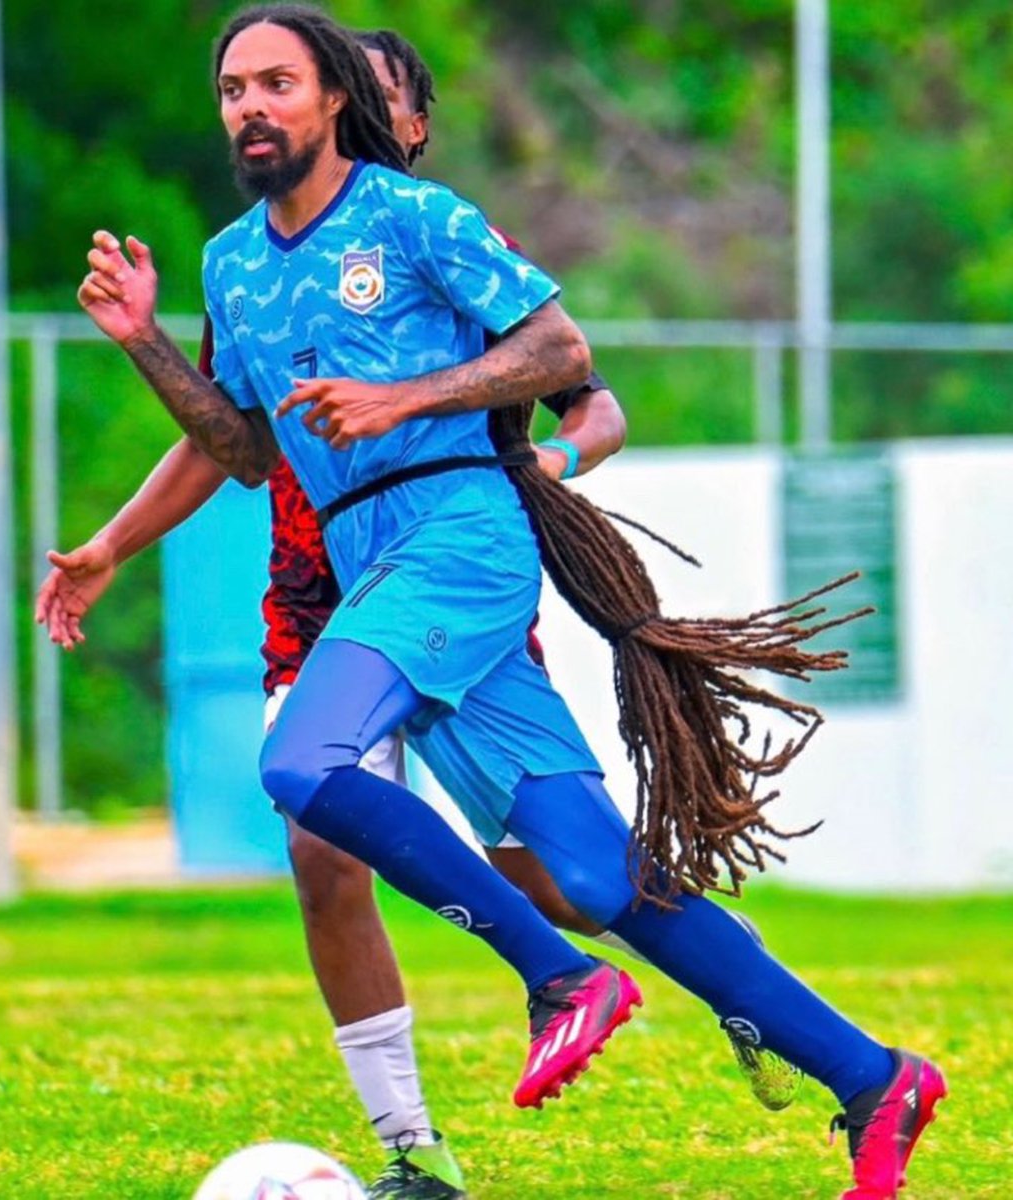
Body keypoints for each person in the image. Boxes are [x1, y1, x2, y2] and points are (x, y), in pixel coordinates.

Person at [75, 7, 945, 1197]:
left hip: (458, 533)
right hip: (369, 552)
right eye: (233, 90)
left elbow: (561, 354)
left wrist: (405, 401)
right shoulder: (232, 263)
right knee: (595, 878)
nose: (249, 108)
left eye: (276, 83)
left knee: (300, 765)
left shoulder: (414, 216)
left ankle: (558, 980)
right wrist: (142, 347)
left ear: (334, 97)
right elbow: (238, 446)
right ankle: (872, 1075)